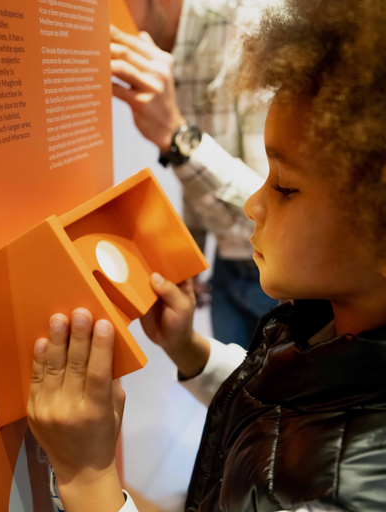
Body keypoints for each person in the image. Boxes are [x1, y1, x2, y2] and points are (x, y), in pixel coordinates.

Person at [27, 0, 386, 510]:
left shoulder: (345, 499)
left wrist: (88, 477)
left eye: (284, 187)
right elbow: (300, 412)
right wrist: (191, 350)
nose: (254, 205)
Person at [110, 0, 277, 347]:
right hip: (228, 268)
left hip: (280, 281)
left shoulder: (254, 25)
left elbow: (275, 216)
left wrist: (175, 136)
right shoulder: (167, 46)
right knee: (229, 398)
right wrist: (191, 255)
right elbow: (196, 171)